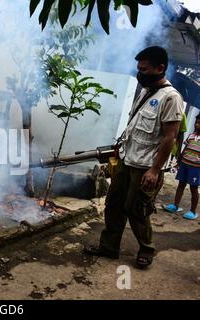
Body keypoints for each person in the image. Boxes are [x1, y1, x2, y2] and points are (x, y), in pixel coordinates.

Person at [84, 46, 184, 269]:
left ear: (160, 68)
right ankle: (109, 247)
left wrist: (155, 170)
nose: (140, 73)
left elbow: (170, 137)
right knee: (114, 204)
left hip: (145, 166)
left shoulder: (171, 98)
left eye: (145, 69)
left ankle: (146, 249)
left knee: (136, 209)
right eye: (139, 68)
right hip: (126, 159)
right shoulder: (144, 91)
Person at [164, 115, 200, 220]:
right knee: (181, 185)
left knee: (193, 188)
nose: (197, 125)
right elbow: (185, 150)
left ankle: (193, 211)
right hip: (184, 165)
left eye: (199, 123)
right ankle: (175, 205)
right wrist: (178, 162)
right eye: (196, 123)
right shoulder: (191, 136)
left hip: (196, 168)